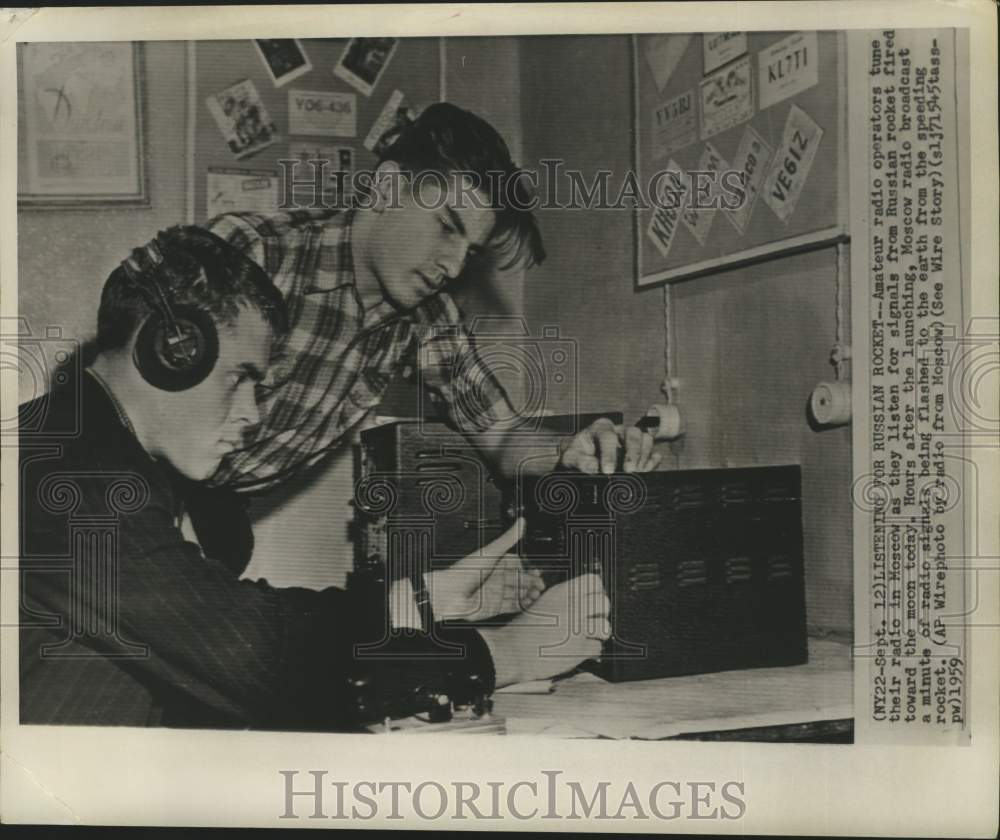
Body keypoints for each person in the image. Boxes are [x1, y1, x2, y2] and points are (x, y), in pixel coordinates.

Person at [18, 227, 611, 730]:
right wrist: (504, 652)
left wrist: (420, 602)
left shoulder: (82, 443)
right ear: (173, 348)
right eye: (240, 377)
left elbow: (237, 619)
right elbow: (255, 657)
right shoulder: (68, 471)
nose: (253, 414)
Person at [206, 102, 661, 498]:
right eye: (447, 226)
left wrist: (567, 449)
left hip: (221, 498)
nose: (455, 266)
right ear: (386, 188)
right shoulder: (253, 252)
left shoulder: (429, 316)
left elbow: (500, 435)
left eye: (471, 251)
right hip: (143, 475)